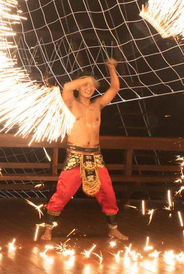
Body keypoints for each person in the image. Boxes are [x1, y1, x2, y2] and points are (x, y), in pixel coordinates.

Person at [41, 58, 128, 241]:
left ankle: (113, 228)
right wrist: (86, 79)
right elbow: (66, 86)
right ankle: (47, 229)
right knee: (63, 193)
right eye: (85, 85)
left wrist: (111, 68)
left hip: (95, 156)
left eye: (92, 86)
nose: (89, 88)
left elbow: (114, 89)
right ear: (79, 87)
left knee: (108, 193)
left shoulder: (98, 105)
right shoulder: (71, 104)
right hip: (75, 155)